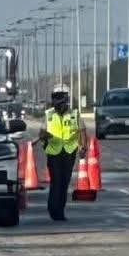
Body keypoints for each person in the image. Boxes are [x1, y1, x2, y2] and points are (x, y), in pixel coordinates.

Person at [37, 88, 88, 221]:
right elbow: (41, 133)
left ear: (65, 103)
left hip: (69, 152)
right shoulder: (49, 114)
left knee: (64, 182)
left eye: (61, 104)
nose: (58, 106)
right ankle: (54, 209)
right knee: (56, 181)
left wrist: (83, 147)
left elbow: (82, 131)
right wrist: (44, 136)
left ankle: (59, 210)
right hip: (54, 153)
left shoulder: (74, 114)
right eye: (56, 104)